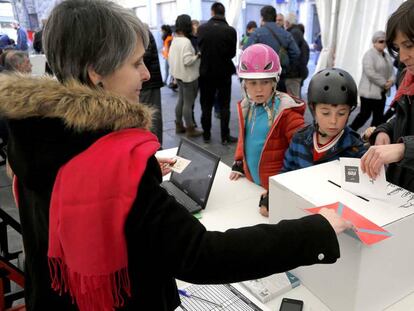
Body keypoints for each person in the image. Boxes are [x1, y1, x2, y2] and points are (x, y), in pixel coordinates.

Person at [0, 1, 351, 310]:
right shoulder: (115, 162)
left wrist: (136, 175)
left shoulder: (36, 132)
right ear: (97, 72)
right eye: (135, 62)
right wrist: (314, 232)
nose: (147, 73)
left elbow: (71, 194)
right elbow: (200, 255)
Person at [229, 44, 305, 217]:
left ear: (274, 81)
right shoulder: (247, 106)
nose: (258, 89)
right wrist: (239, 162)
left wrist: (280, 191)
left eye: (265, 82)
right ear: (244, 84)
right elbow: (245, 137)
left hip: (274, 190)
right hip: (251, 185)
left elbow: (301, 155)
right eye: (252, 82)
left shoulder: (286, 112)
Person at [361, 0, 414, 192]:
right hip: (401, 187)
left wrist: (403, 149)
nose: (403, 56)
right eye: (398, 48)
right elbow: (404, 118)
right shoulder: (408, 78)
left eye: (409, 45)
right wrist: (384, 131)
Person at [281, 68, 366, 173]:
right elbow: (285, 174)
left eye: (341, 113)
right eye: (326, 113)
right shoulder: (299, 139)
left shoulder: (355, 149)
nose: (333, 121)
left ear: (349, 112)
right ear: (313, 109)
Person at [198, 2, 238, 144]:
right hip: (224, 73)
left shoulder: (202, 29)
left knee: (206, 105)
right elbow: (233, 53)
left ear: (212, 12)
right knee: (224, 105)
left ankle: (206, 135)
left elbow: (200, 48)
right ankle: (225, 136)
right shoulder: (231, 31)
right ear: (224, 13)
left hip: (206, 72)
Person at [245, 6, 300, 93]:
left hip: (260, 77)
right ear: (275, 17)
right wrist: (286, 67)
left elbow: (247, 53)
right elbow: (296, 53)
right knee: (279, 102)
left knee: (261, 102)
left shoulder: (257, 33)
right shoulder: (286, 34)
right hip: (280, 75)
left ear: (262, 17)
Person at [350, 31, 394, 132]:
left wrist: (391, 81)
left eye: (385, 41)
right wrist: (384, 83)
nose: (384, 44)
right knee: (364, 115)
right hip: (368, 93)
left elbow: (392, 71)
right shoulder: (369, 55)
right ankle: (349, 132)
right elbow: (370, 73)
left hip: (381, 92)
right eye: (381, 41)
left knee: (378, 118)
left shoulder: (386, 56)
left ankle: (372, 136)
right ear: (374, 42)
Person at [168, 14, 203, 137]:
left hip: (178, 75)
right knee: (188, 104)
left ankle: (178, 125)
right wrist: (198, 55)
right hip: (188, 77)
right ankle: (190, 128)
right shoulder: (186, 42)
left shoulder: (175, 40)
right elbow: (187, 61)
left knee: (181, 101)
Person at [139, 28, 164, 146]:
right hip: (148, 83)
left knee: (151, 117)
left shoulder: (141, 32)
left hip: (149, 84)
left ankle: (155, 147)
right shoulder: (140, 31)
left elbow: (145, 57)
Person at [284, 13, 310, 98]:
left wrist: (289, 70)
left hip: (294, 74)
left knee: (294, 100)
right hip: (298, 72)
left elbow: (294, 54)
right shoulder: (298, 33)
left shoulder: (293, 34)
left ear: (287, 22)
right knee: (295, 97)